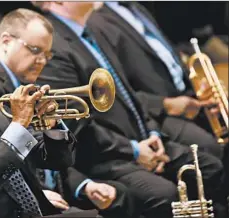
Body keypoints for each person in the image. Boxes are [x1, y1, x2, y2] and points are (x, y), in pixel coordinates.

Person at [32, 2, 228, 218]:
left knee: (209, 168)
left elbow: (129, 93)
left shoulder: (91, 29)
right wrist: (134, 150)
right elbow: (79, 124)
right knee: (165, 194)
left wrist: (153, 133)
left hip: (140, 139)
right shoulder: (54, 45)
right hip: (105, 157)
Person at [0, 8, 136, 218]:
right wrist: (34, 194)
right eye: (35, 50)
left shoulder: (24, 83)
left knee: (122, 197)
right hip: (17, 199)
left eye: (47, 54)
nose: (42, 61)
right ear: (6, 41)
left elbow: (50, 157)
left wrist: (84, 184)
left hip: (53, 185)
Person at [87, 2, 224, 157]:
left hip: (184, 96)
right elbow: (120, 89)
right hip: (156, 113)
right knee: (209, 148)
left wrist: (198, 87)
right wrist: (165, 105)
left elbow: (165, 54)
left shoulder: (136, 7)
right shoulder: (95, 20)